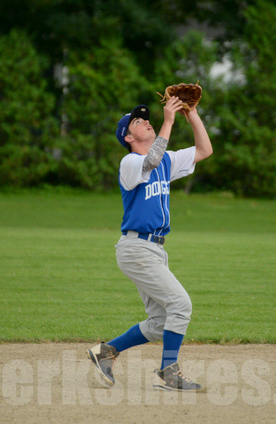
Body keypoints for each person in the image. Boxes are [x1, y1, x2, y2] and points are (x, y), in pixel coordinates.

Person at [87, 96, 213, 392]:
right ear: (128, 138)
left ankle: (106, 352)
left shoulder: (166, 161)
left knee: (160, 322)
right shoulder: (130, 163)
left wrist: (192, 114)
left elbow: (204, 150)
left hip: (155, 250)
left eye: (146, 118)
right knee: (180, 305)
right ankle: (169, 372)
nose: (146, 120)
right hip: (136, 248)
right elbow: (151, 159)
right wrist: (168, 120)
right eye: (137, 121)